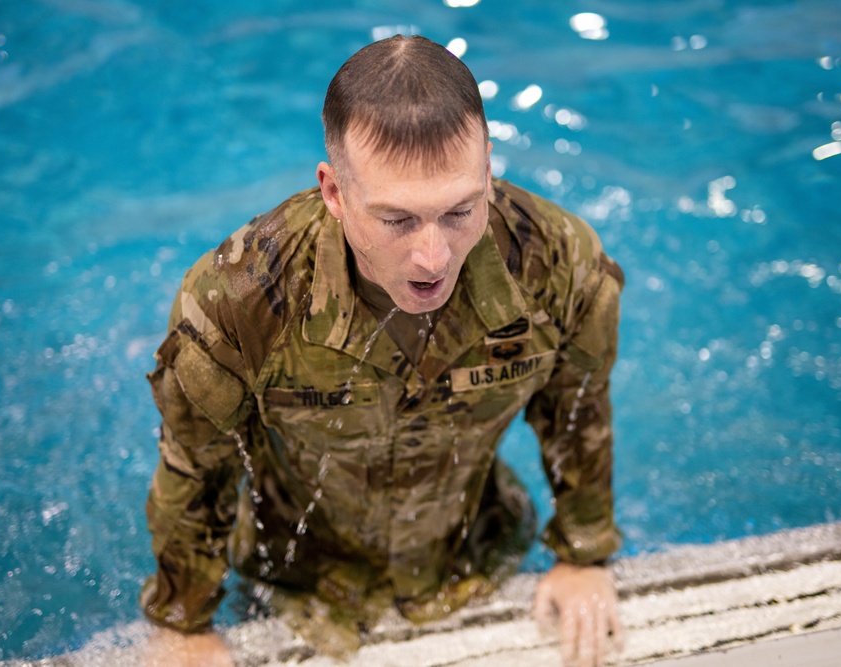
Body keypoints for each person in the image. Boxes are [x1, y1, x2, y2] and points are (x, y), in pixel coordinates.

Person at [141, 34, 624, 667]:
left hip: (478, 549)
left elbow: (577, 410)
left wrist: (582, 555)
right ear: (334, 193)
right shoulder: (239, 301)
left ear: (487, 175)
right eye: (397, 220)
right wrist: (185, 621)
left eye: (460, 210)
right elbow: (196, 467)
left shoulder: (559, 263)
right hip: (292, 574)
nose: (434, 257)